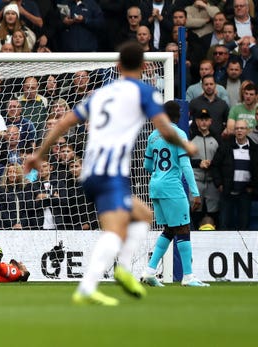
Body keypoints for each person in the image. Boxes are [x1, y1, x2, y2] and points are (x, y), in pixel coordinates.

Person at [25, 41, 198, 306]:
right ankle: (89, 286)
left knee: (143, 215)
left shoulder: (100, 94)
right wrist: (186, 144)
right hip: (109, 172)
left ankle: (124, 270)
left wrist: (39, 154)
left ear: (118, 66)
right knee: (115, 231)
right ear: (144, 66)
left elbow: (63, 122)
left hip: (92, 170)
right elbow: (164, 128)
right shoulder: (144, 92)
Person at [141, 101, 209, 287]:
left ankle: (149, 271)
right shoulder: (179, 134)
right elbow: (186, 165)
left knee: (170, 230)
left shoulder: (153, 136)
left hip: (155, 187)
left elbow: (147, 165)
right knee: (184, 228)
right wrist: (195, 193)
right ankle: (188, 276)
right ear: (178, 115)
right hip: (172, 187)